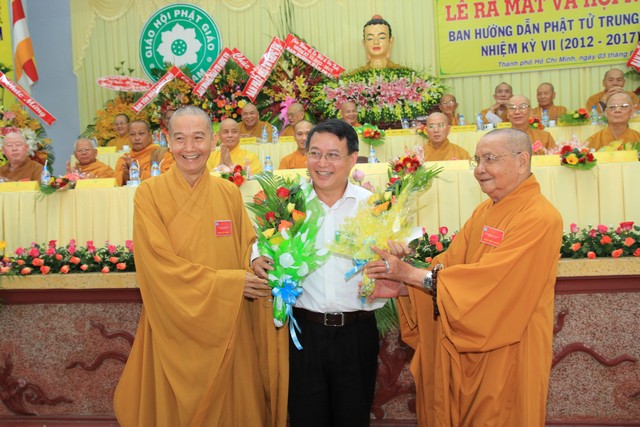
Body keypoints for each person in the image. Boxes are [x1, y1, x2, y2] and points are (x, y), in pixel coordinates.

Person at [366, 128, 563, 426]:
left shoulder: (540, 217)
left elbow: (492, 284)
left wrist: (410, 274)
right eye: (477, 160)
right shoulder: (485, 211)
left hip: (509, 348)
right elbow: (449, 266)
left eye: (490, 159)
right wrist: (406, 287)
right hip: (468, 344)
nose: (480, 169)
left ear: (522, 161)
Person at [113, 105, 288, 427]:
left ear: (214, 141)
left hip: (227, 322)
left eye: (198, 138)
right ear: (168, 141)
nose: (189, 148)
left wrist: (256, 260)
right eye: (180, 139)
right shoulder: (149, 194)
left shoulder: (228, 192)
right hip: (172, 323)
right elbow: (157, 263)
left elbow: (245, 244)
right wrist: (230, 284)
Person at [253, 119, 383, 426]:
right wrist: (256, 258)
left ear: (352, 158)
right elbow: (261, 244)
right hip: (304, 334)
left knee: (353, 418)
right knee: (306, 418)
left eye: (333, 155)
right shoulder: (289, 206)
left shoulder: (372, 206)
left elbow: (392, 255)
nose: (322, 163)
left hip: (357, 333)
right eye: (315, 153)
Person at [114, 120, 173, 186]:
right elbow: (115, 184)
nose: (137, 138)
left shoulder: (162, 154)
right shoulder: (124, 160)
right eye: (132, 134)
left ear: (149, 135)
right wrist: (126, 175)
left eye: (141, 134)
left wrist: (138, 172)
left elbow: (169, 178)